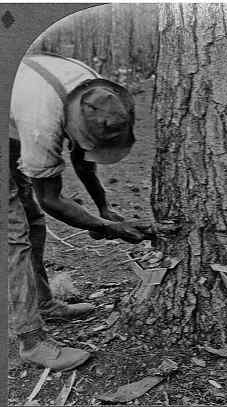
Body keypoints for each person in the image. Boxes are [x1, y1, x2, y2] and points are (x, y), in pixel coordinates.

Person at [9, 53, 174, 370]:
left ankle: (43, 304)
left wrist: (104, 207)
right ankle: (31, 341)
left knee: (33, 222)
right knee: (14, 236)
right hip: (20, 121)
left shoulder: (93, 93)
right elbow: (50, 198)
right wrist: (111, 229)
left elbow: (82, 155)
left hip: (14, 120)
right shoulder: (43, 120)